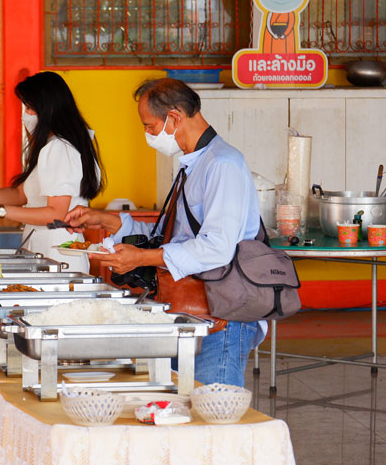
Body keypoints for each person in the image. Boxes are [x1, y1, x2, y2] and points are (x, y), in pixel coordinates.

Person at [64, 77, 264, 387]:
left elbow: (217, 248)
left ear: (174, 118)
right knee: (181, 406)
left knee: (211, 412)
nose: (148, 134)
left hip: (220, 315)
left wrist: (141, 257)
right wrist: (108, 221)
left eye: (149, 126)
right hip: (188, 310)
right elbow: (173, 238)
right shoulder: (193, 164)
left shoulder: (222, 165)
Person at [0, 71, 104, 272]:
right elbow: (21, 194)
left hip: (57, 253)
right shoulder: (53, 145)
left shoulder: (60, 148)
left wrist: (0, 211)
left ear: (48, 109)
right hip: (45, 250)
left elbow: (56, 214)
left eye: (30, 108)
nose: (26, 114)